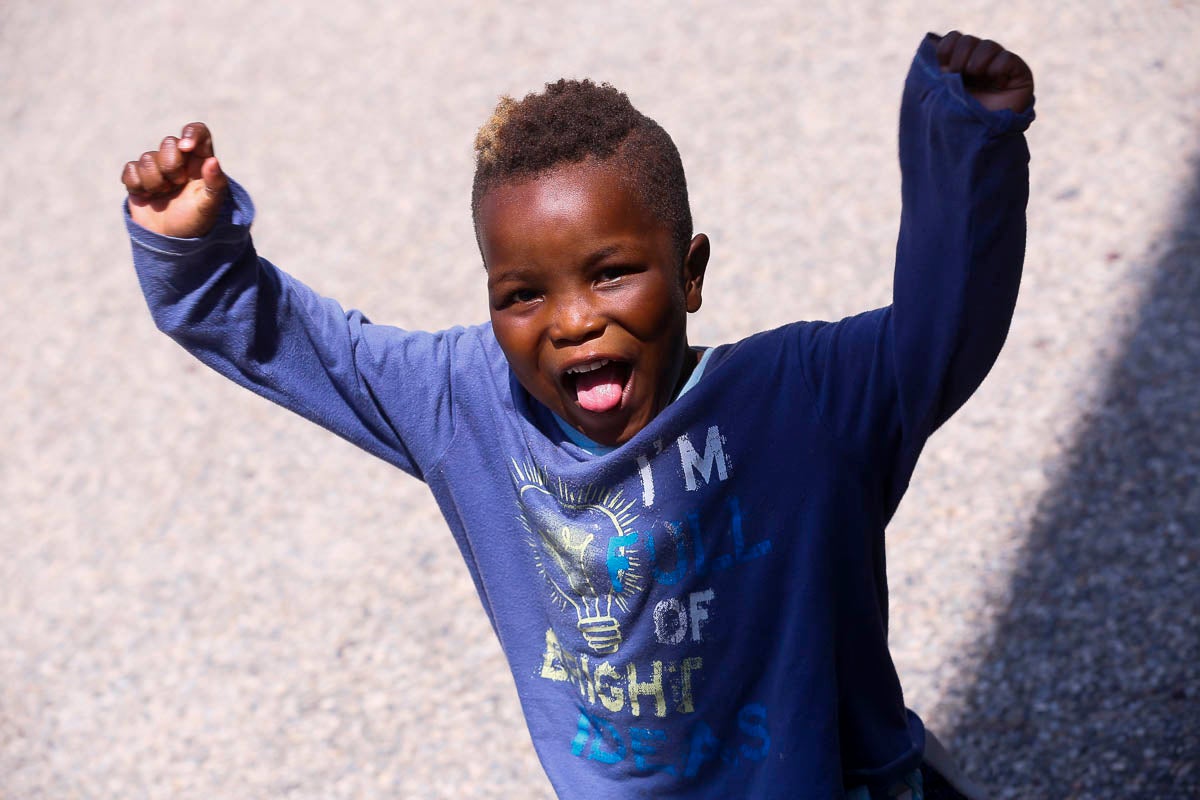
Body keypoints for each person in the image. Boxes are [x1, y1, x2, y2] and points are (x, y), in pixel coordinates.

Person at [121, 30, 1034, 800]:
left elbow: (940, 329)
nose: (571, 320)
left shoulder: (798, 401)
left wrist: (965, 141)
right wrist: (198, 254)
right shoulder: (468, 404)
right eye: (522, 292)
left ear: (691, 273)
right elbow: (314, 350)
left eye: (611, 273)